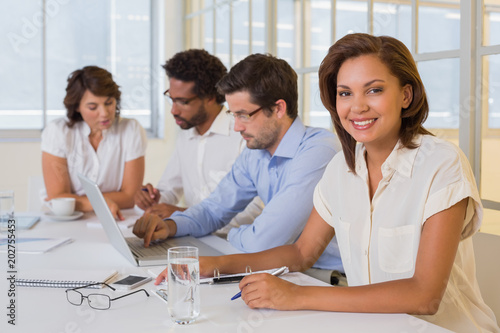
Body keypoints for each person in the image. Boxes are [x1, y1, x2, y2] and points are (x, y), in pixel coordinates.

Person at [154, 34, 499, 333]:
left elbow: (424, 295)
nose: (357, 107)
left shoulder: (440, 162)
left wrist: (296, 295)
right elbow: (302, 252)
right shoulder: (340, 169)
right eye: (345, 93)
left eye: (374, 90)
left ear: (406, 96)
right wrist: (213, 266)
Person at [134, 53, 344, 279]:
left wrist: (232, 234)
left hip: (323, 277)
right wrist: (170, 226)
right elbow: (214, 209)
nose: (236, 127)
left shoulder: (320, 151)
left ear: (278, 109)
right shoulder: (256, 152)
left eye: (243, 115)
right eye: (233, 115)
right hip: (277, 269)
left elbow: (262, 242)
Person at [133, 49, 262, 236]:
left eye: (183, 102)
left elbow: (254, 212)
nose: (173, 111)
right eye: (171, 99)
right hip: (195, 239)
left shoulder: (243, 136)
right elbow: (169, 189)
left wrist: (183, 214)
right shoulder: (186, 135)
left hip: (233, 244)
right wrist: (151, 199)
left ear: (210, 97)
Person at [41, 66, 147, 219]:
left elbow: (130, 197)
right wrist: (103, 202)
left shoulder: (131, 130)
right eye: (93, 107)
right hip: (67, 220)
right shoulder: (58, 132)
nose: (104, 113)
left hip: (117, 218)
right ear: (77, 106)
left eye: (109, 103)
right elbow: (58, 198)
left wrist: (78, 201)